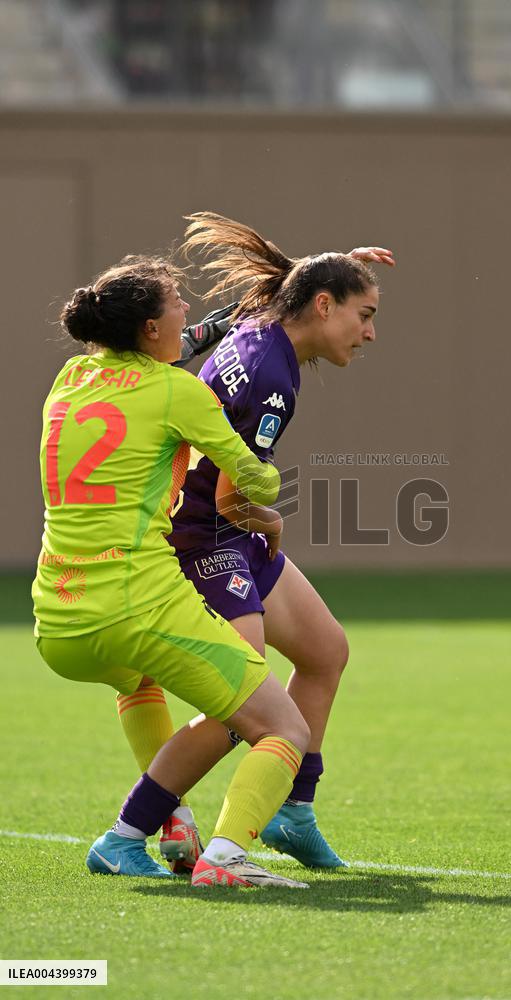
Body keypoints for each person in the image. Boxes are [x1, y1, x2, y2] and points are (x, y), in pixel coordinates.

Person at [114, 215, 394, 870]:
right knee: (245, 705)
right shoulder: (273, 377)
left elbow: (301, 286)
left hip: (223, 532)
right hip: (207, 537)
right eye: (365, 313)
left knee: (325, 651)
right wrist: (271, 519)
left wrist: (339, 264)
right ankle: (129, 833)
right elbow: (230, 492)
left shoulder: (264, 316)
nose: (371, 332)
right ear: (322, 306)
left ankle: (292, 813)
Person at [32, 254, 316, 889]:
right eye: (177, 302)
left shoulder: (70, 376)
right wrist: (269, 501)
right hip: (139, 606)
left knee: (136, 682)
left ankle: (166, 826)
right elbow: (254, 474)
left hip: (59, 621)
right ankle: (225, 858)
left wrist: (203, 335)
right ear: (149, 330)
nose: (187, 308)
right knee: (280, 724)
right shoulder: (179, 392)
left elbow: (163, 355)